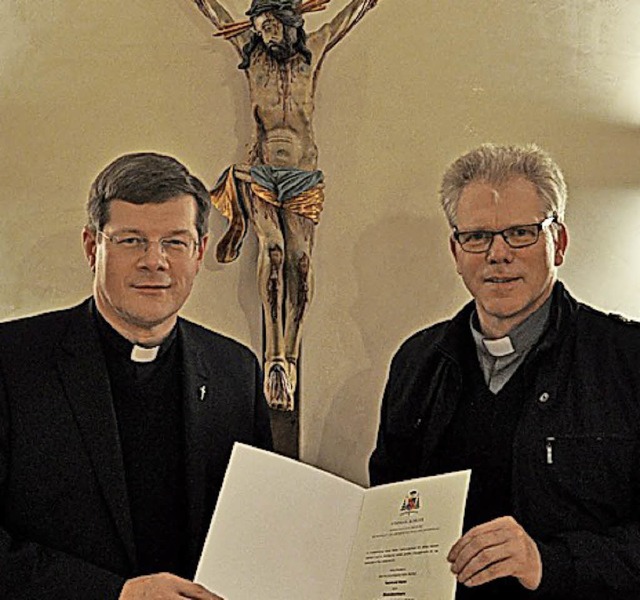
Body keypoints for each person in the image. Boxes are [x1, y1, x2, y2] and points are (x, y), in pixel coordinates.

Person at [369, 143, 640, 599]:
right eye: (477, 237)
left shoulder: (628, 359)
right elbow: (390, 507)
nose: (498, 254)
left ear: (559, 243)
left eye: (520, 233)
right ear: (456, 252)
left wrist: (547, 562)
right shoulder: (416, 362)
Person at [0, 152, 273, 599]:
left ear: (200, 251)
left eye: (175, 242)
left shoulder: (233, 371)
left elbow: (260, 523)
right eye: (131, 241)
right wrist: (115, 594)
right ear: (92, 247)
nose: (155, 261)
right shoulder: (13, 363)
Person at [190, 0, 378, 410]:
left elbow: (346, 18)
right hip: (260, 172)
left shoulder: (314, 49)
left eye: (273, 26)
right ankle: (275, 355)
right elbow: (219, 15)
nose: (267, 34)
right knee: (272, 253)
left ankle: (290, 354)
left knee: (301, 262)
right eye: (261, 27)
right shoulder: (251, 52)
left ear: (289, 23)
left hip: (303, 175)